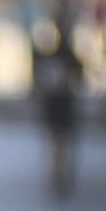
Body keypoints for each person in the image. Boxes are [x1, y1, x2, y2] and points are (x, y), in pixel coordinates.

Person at [34, 15, 85, 198]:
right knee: (57, 142)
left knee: (61, 142)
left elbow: (79, 78)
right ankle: (58, 174)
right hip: (55, 105)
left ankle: (61, 174)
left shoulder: (69, 57)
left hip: (64, 105)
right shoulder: (51, 56)